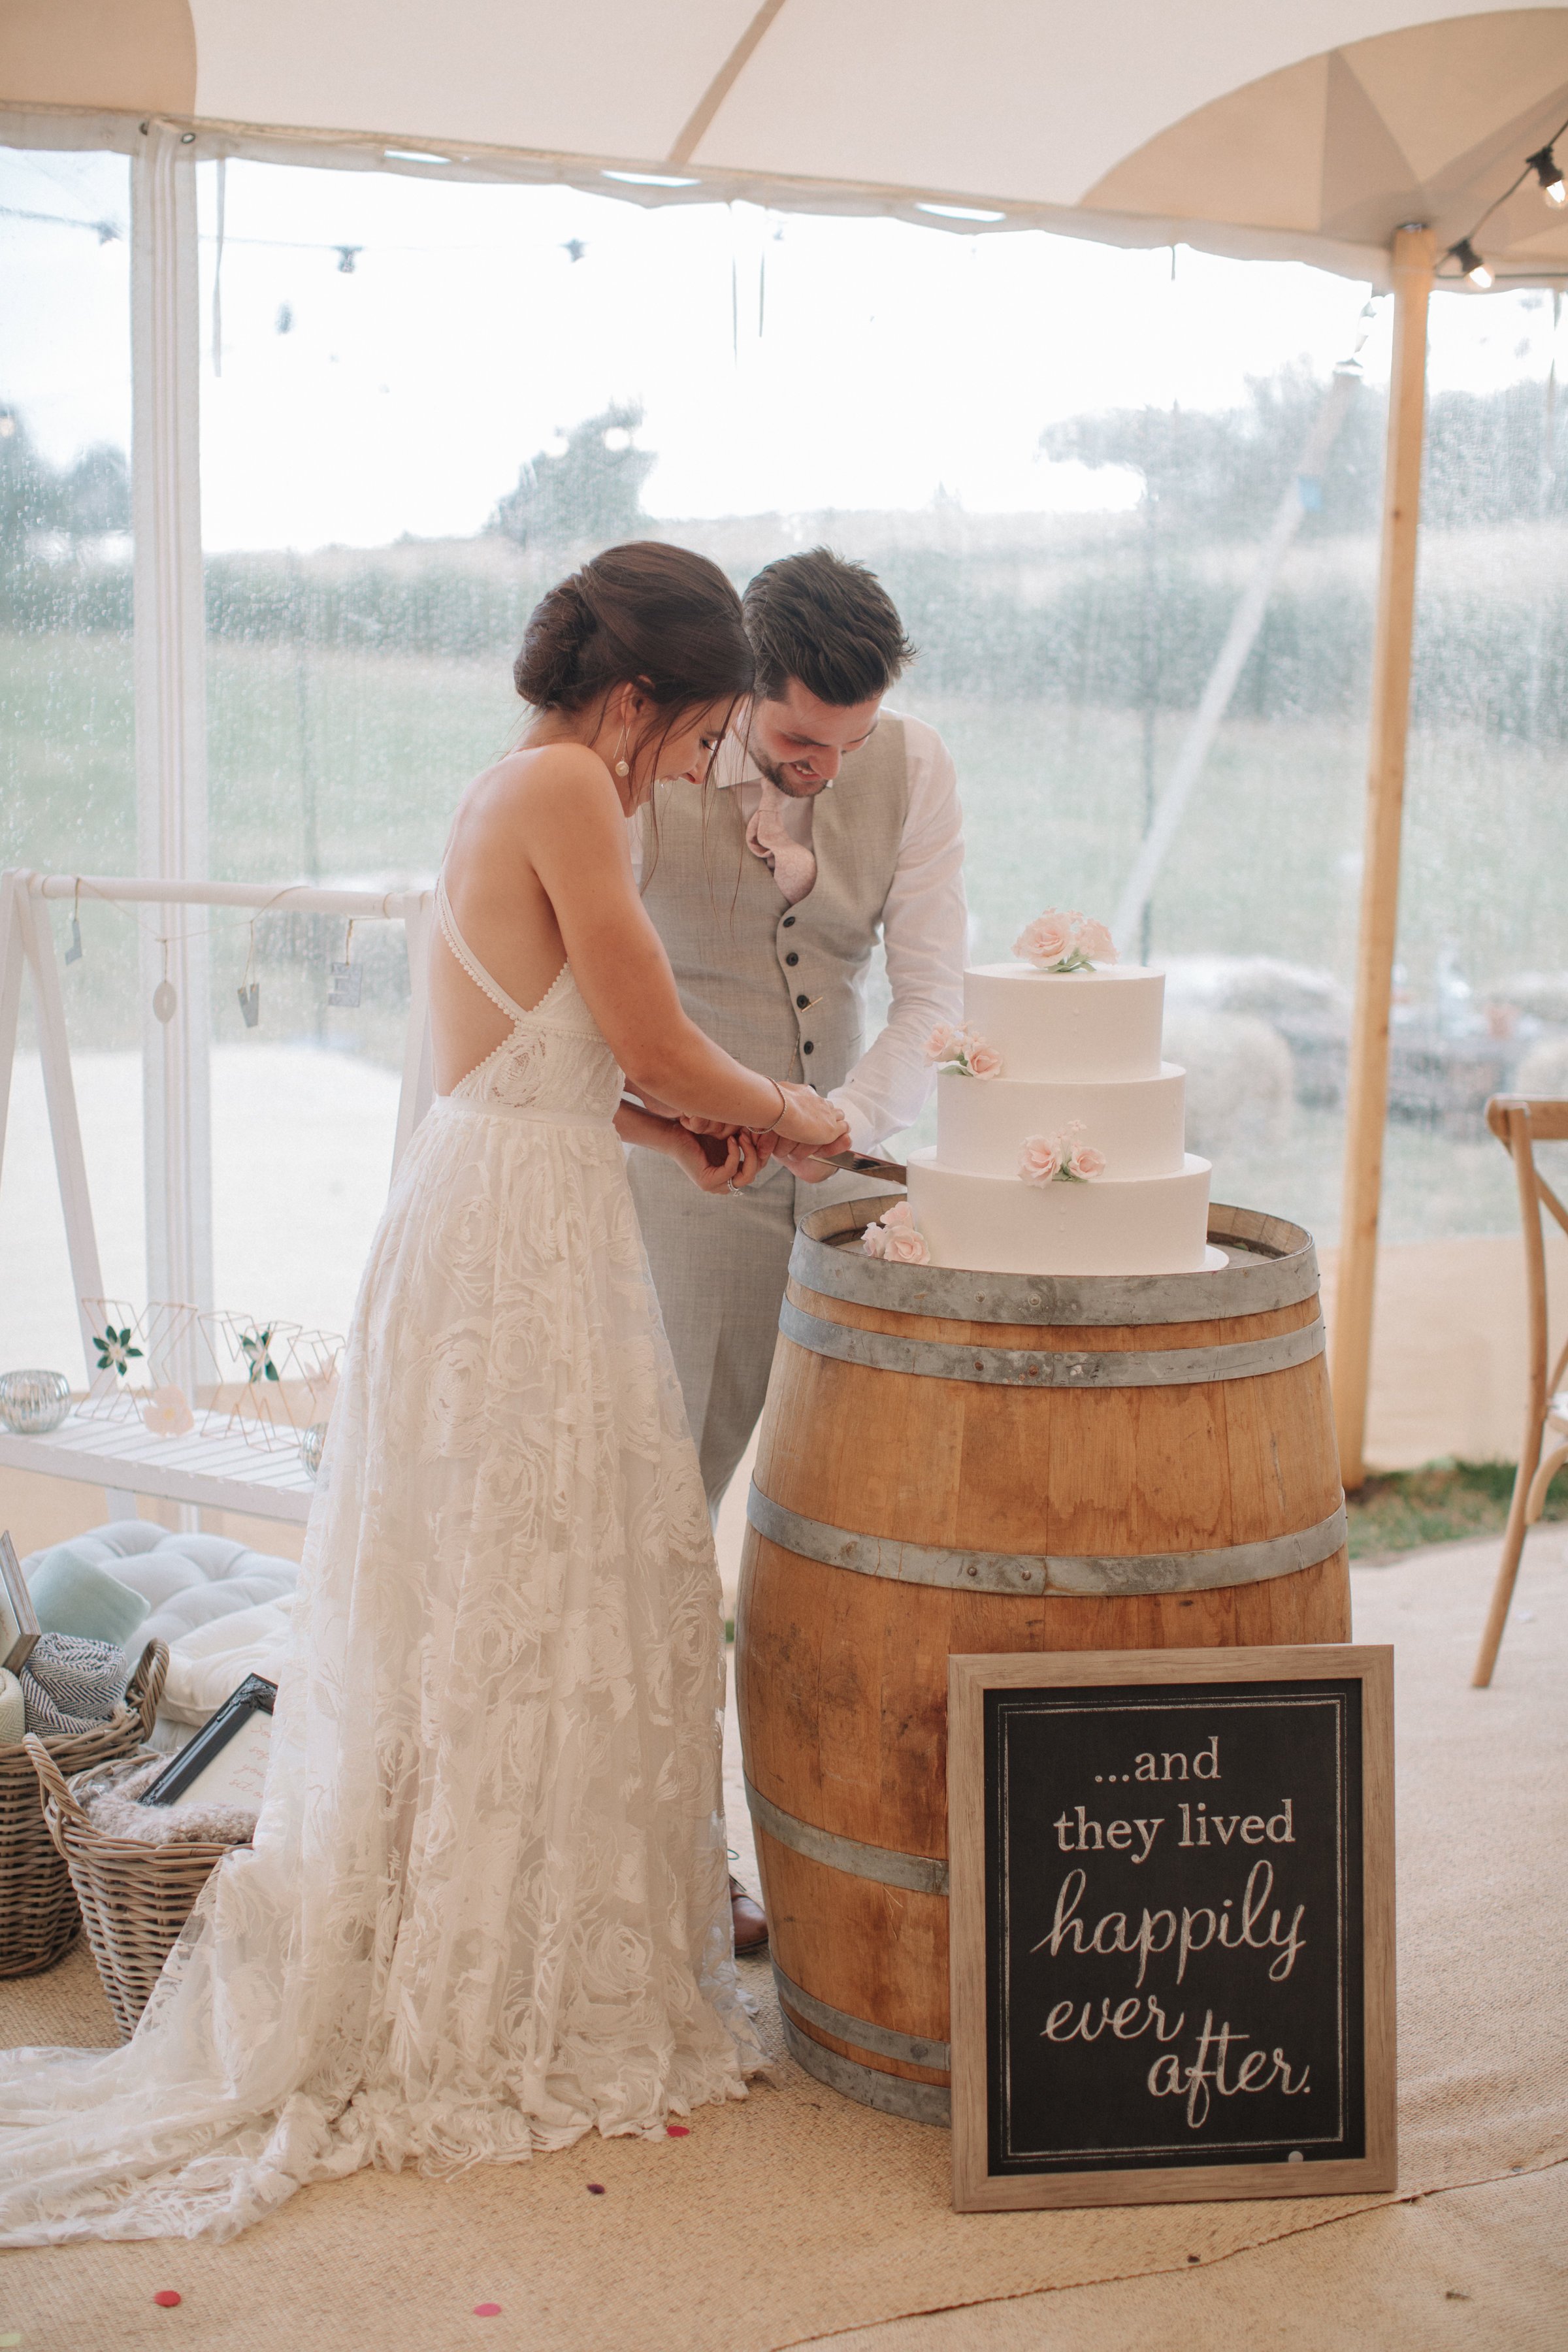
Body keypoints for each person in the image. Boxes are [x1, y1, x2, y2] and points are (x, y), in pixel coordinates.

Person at [0, 542, 849, 2247]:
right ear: (631, 701)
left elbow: (530, 1059)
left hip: (489, 1197)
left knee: (489, 1594)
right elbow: (649, 1027)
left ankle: (484, 1918)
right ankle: (497, 1969)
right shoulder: (566, 795)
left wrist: (667, 1130)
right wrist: (800, 1114)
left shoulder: (500, 788)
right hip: (517, 1249)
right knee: (540, 1589)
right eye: (693, 736)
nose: (698, 768)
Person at [627, 547, 967, 1505]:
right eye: (803, 741)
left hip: (846, 1195)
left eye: (852, 745)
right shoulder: (647, 765)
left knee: (847, 1502)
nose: (829, 768)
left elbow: (935, 995)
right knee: (666, 1489)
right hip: (677, 1188)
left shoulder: (918, 763)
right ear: (741, 680)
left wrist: (851, 1119)